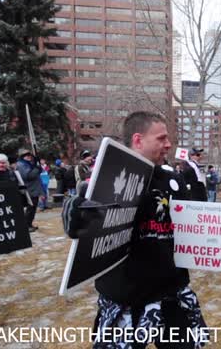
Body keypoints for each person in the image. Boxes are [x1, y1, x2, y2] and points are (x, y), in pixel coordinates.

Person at [64, 111, 207, 348]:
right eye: (161, 138)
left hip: (170, 293)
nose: (169, 144)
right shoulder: (107, 176)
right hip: (124, 296)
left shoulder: (175, 179)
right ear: (138, 140)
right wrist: (75, 213)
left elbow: (197, 225)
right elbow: (78, 216)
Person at [16, 148, 43, 232]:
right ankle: (26, 225)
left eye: (29, 155)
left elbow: (36, 172)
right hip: (30, 190)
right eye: (26, 156)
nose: (29, 157)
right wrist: (36, 169)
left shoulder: (28, 164)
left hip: (33, 190)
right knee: (30, 209)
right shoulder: (21, 165)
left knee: (33, 209)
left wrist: (37, 166)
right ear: (22, 157)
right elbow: (28, 176)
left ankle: (29, 224)